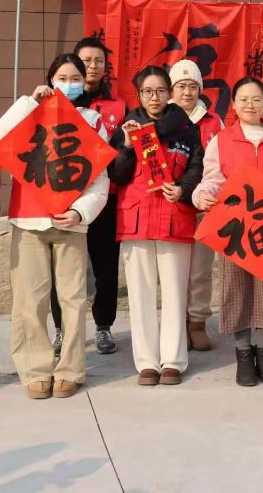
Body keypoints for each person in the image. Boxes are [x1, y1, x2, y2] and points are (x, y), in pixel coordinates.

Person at [0, 54, 110, 400]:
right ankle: (35, 369)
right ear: (50, 80)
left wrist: (80, 212)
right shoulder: (30, 111)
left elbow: (100, 179)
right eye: (62, 78)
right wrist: (30, 102)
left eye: (75, 78)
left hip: (70, 222)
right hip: (29, 219)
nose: (68, 84)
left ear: (84, 83)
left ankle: (71, 369)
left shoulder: (92, 120)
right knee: (30, 299)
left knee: (73, 299)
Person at [193, 77, 263, 387]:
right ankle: (243, 354)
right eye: (243, 99)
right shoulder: (222, 139)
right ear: (234, 104)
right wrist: (203, 193)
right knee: (236, 289)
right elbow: (212, 177)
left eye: (256, 99)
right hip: (235, 229)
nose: (250, 105)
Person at [109, 66, 205, 387]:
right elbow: (116, 174)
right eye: (148, 91)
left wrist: (183, 189)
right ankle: (147, 362)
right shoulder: (128, 127)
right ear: (138, 94)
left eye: (161, 91)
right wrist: (126, 146)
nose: (154, 98)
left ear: (170, 93)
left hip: (174, 218)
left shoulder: (187, 129)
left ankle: (173, 360)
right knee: (140, 295)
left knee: (175, 293)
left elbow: (197, 168)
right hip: (135, 221)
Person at [48, 37, 127, 357]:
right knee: (62, 270)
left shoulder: (117, 106)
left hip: (104, 197)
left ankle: (103, 325)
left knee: (106, 268)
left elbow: (119, 155)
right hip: (62, 200)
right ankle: (62, 329)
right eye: (86, 61)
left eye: (98, 61)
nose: (93, 66)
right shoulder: (49, 104)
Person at [168, 59, 224, 352]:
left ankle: (198, 322)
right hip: (173, 204)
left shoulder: (213, 122)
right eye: (181, 86)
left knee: (201, 269)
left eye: (192, 86)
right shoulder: (163, 118)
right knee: (174, 270)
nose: (187, 92)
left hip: (204, 206)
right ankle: (176, 324)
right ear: (171, 90)